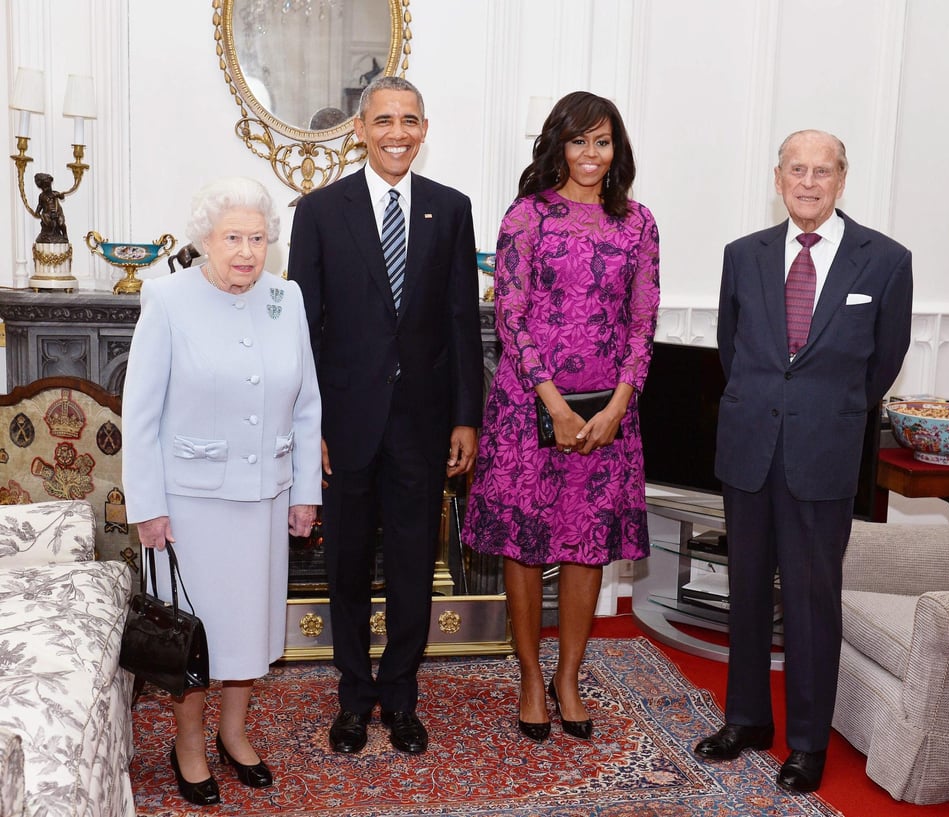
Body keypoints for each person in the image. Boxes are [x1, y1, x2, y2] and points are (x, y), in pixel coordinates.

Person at [694, 130, 913, 793]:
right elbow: (733, 350)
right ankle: (747, 718)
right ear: (778, 178)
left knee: (814, 601)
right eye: (797, 170)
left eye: (822, 171)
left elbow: (884, 361)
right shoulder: (744, 255)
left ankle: (808, 741)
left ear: (842, 180)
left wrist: (825, 410)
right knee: (748, 590)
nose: (809, 182)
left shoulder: (886, 260)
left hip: (823, 452)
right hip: (749, 447)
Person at [287, 75, 482, 756]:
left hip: (424, 426)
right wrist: (305, 427)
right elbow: (303, 331)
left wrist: (467, 417)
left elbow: (462, 321)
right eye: (384, 120)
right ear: (361, 129)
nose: (398, 132)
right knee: (344, 566)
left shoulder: (450, 209)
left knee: (409, 568)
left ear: (424, 129)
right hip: (343, 426)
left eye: (410, 120)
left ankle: (399, 695)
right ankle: (352, 697)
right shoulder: (318, 211)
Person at [463, 91, 660, 743]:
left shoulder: (638, 223)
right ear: (558, 145)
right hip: (529, 410)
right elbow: (511, 317)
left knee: (585, 546)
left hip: (608, 418)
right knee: (525, 544)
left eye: (602, 142)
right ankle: (528, 676)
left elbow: (642, 320)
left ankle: (568, 675)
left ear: (616, 150)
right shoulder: (527, 217)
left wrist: (618, 404)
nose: (590, 154)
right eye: (579, 140)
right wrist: (552, 401)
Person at [122, 176, 322, 807]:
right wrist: (148, 507)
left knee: (247, 628)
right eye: (232, 237)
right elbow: (142, 414)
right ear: (204, 239)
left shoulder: (285, 299)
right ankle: (187, 744)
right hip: (191, 505)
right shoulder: (168, 299)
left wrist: (304, 493)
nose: (245, 251)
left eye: (257, 238)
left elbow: (307, 407)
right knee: (197, 632)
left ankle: (234, 736)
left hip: (265, 496)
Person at [33, 172, 68, 244]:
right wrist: (37, 212)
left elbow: (62, 197)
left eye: (48, 187)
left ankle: (65, 234)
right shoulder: (41, 196)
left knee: (61, 223)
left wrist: (61, 195)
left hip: (58, 213)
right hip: (47, 213)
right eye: (44, 187)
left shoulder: (55, 193)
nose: (46, 189)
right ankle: (49, 234)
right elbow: (40, 205)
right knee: (49, 222)